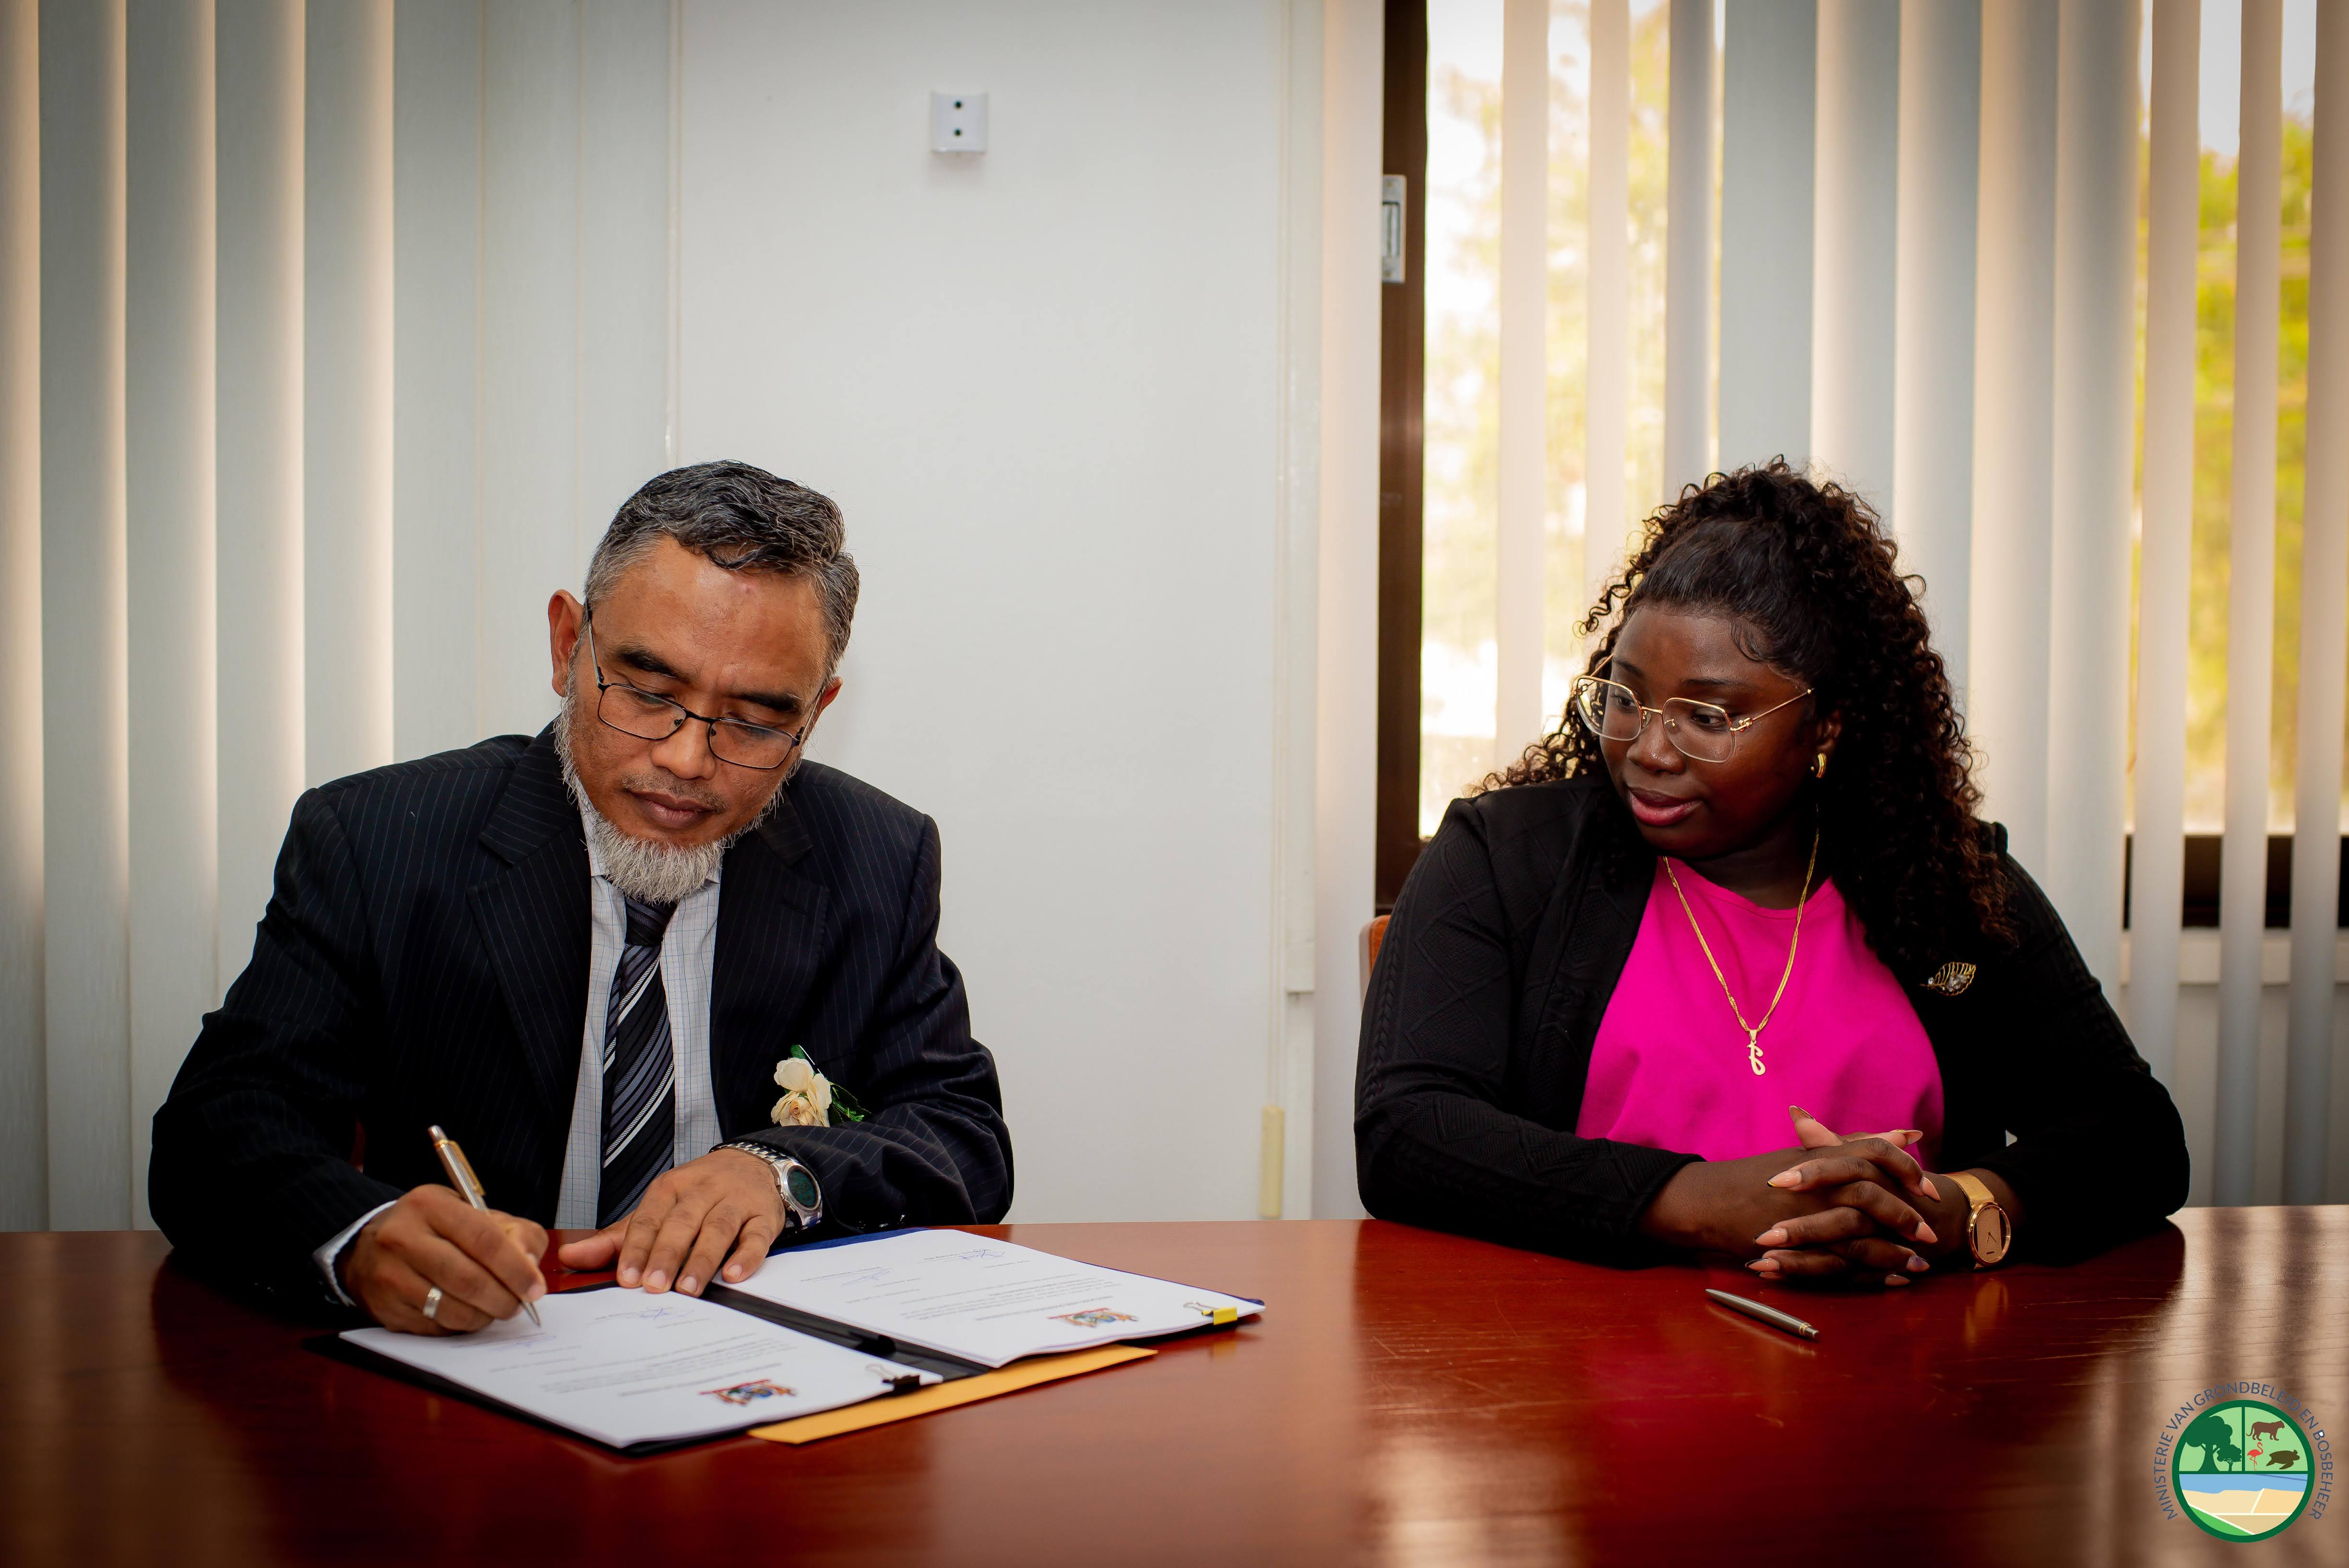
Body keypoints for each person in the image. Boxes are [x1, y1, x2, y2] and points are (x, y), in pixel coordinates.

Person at [152, 461, 1012, 1333]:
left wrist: (782, 1173)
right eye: (647, 691)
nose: (686, 759)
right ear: (569, 646)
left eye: (755, 720)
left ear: (815, 713)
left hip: (753, 1356)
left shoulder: (877, 856)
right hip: (487, 1349)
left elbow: (963, 1135)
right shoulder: (379, 839)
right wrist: (361, 1236)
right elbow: (218, 1130)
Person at [1355, 461, 2187, 1283]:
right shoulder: (1507, 858)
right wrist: (1695, 1202)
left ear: (1826, 724)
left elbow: (2136, 1135)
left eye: (1709, 716)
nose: (1648, 750)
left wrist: (1955, 1211)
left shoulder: (1942, 882)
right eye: (1626, 698)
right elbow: (1407, 1130)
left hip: (1905, 1349)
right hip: (1583, 1349)